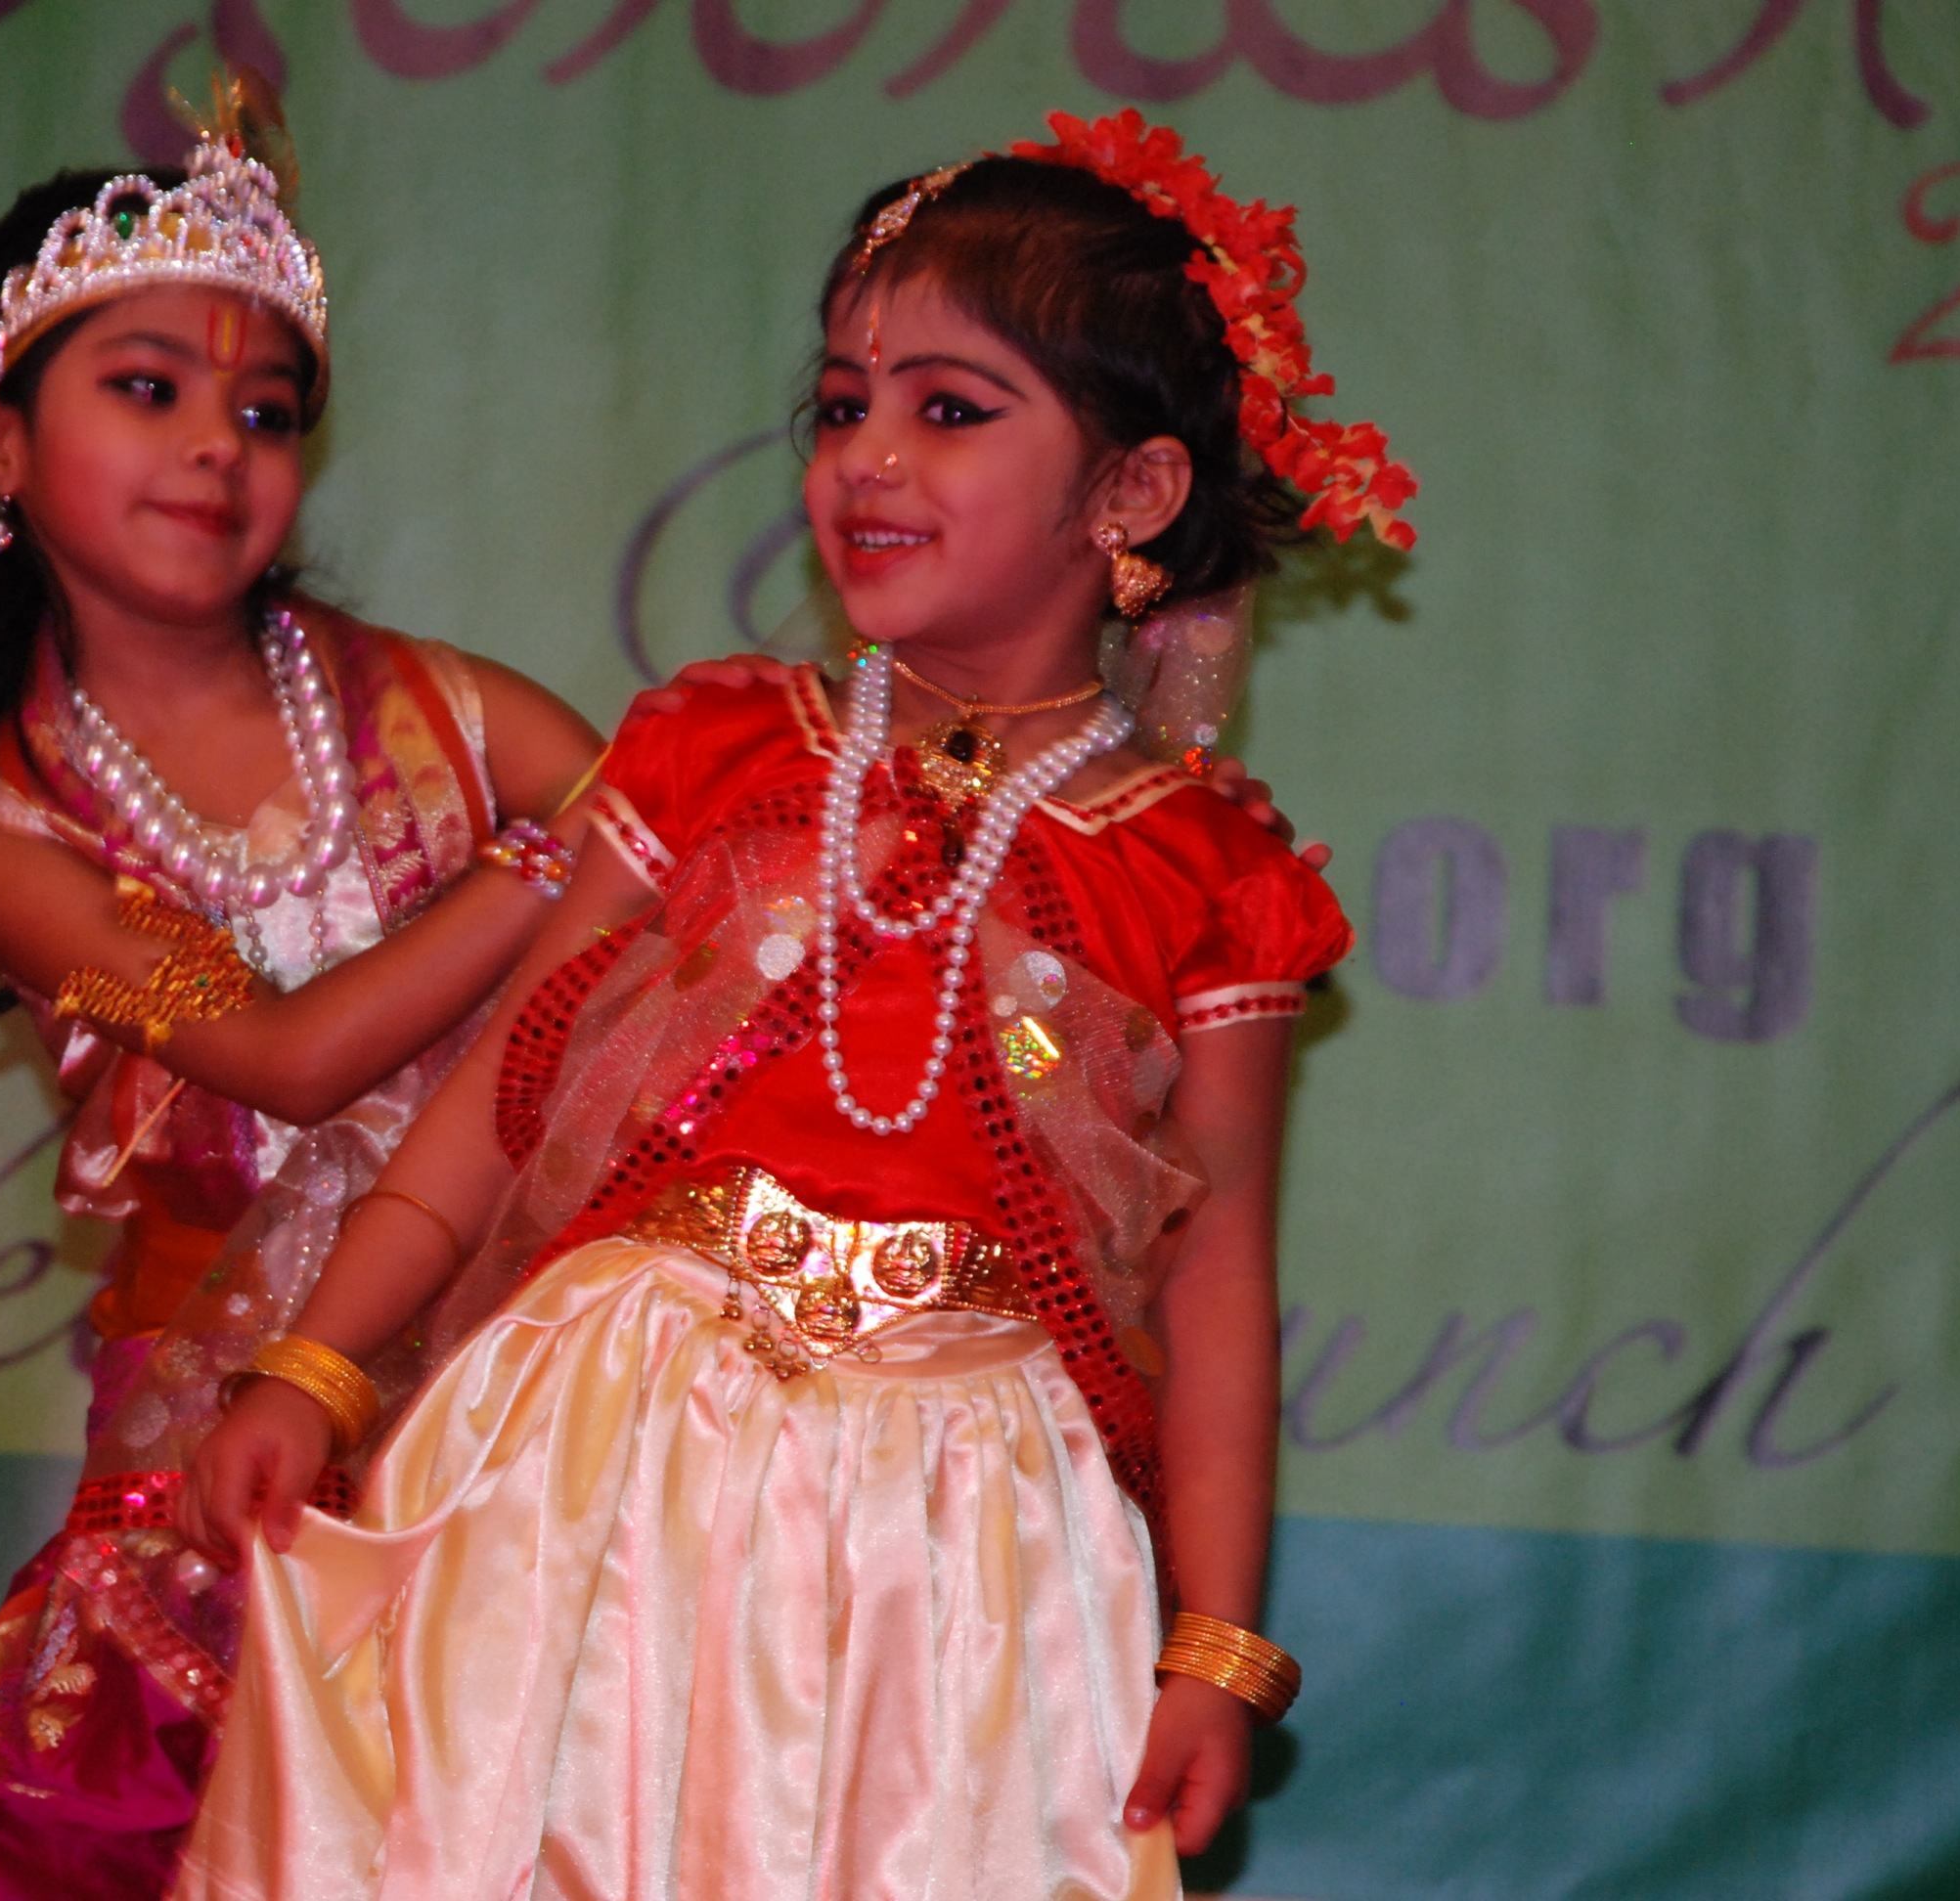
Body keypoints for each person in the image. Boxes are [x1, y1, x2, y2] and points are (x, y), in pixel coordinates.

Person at [171, 110, 1412, 1901]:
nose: (868, 461)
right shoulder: (717, 746)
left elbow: (1214, 1276)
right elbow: (505, 1095)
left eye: (950, 410)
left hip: (959, 1530)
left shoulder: (1209, 872)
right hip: (599, 1452)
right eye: (841, 407)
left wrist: (1213, 1648)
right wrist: (318, 1364)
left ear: (1134, 494)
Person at [0, 89, 623, 1901]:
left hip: (522, 1412)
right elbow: (286, 1056)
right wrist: (556, 864)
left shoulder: (446, 708)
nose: (217, 445)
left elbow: (682, 916)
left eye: (266, 412)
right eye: (148, 388)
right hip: (226, 1445)